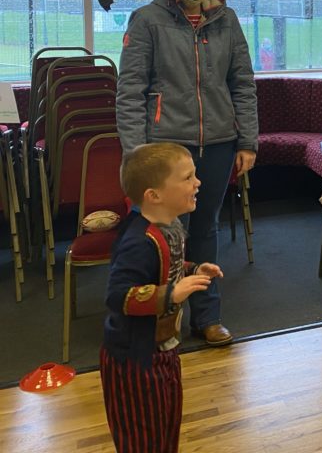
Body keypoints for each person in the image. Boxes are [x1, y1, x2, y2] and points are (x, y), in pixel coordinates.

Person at [116, 0, 258, 346]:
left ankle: (207, 316)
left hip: (218, 142)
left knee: (205, 229)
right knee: (162, 234)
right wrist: (134, 153)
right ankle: (159, 318)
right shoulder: (146, 20)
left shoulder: (226, 20)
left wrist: (247, 141)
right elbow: (130, 91)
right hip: (165, 144)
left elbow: (243, 84)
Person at [101, 142, 224, 453]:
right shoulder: (138, 241)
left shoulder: (167, 228)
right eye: (187, 178)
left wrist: (194, 268)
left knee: (166, 425)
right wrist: (172, 293)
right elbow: (118, 295)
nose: (197, 183)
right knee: (142, 437)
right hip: (134, 358)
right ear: (153, 195)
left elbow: (165, 264)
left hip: (162, 349)